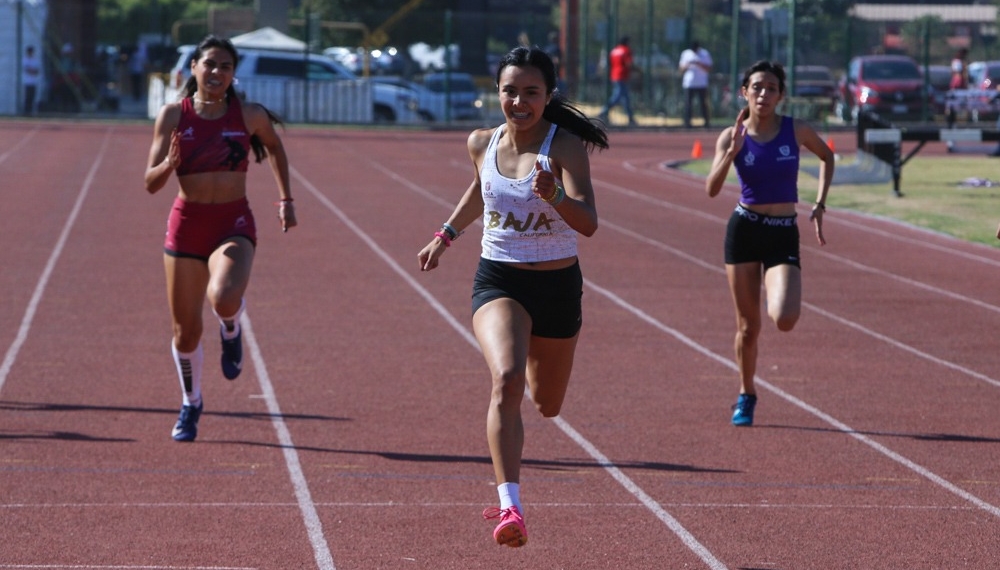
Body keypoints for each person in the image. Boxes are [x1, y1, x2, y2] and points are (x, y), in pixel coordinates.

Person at [417, 46, 608, 547]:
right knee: (505, 378)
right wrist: (445, 235)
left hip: (558, 286)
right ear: (496, 92)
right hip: (499, 280)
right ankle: (510, 507)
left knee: (547, 404)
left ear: (548, 96)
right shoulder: (482, 141)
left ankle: (530, 364)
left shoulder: (564, 147)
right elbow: (480, 191)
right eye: (510, 91)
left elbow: (588, 224)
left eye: (531, 92)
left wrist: (556, 197)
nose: (519, 101)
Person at [144, 35, 297, 442]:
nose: (216, 72)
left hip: (233, 222)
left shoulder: (248, 115)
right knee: (185, 332)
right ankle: (191, 402)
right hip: (187, 224)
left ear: (233, 74)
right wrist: (168, 164)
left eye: (225, 66)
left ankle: (231, 326)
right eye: (209, 64)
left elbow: (276, 149)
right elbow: (150, 183)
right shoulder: (173, 115)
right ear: (192, 67)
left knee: (225, 296)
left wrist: (286, 199)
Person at [704, 60, 834, 427]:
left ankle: (749, 387)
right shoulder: (731, 136)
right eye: (757, 87)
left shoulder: (796, 130)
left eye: (771, 88)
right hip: (744, 230)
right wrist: (731, 153)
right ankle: (746, 394)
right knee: (748, 326)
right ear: (744, 92)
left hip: (781, 231)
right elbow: (712, 190)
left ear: (781, 95)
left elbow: (827, 156)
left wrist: (819, 204)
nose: (764, 94)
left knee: (785, 317)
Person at [597, 36, 637, 126]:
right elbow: (628, 64)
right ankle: (604, 111)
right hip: (622, 76)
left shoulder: (614, 51)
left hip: (614, 75)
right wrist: (637, 70)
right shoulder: (626, 50)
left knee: (625, 98)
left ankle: (630, 117)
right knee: (618, 96)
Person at [679, 40, 713, 128]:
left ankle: (706, 122)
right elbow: (681, 69)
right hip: (689, 83)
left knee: (703, 104)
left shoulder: (704, 54)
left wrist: (698, 63)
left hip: (702, 83)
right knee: (688, 104)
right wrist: (688, 64)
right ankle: (687, 123)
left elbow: (709, 68)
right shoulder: (686, 54)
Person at [22, 45, 41, 116]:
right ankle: (26, 112)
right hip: (27, 81)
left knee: (33, 97)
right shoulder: (25, 59)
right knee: (27, 97)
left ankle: (31, 112)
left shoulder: (35, 60)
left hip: (34, 82)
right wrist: (32, 71)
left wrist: (32, 71)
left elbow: (37, 70)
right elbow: (27, 69)